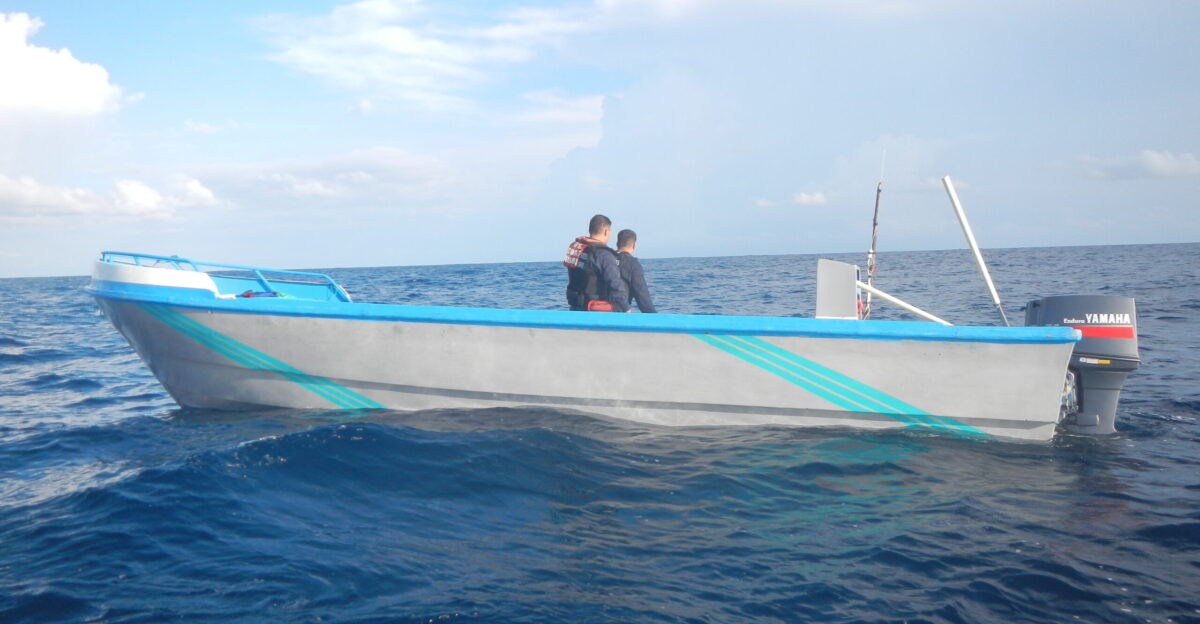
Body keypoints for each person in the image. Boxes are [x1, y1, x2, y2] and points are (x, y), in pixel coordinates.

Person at [563, 215, 629, 312]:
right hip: (596, 310)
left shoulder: (579, 250)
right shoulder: (604, 255)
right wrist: (626, 308)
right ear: (606, 231)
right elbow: (615, 284)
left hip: (575, 308)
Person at [615, 229, 657, 313]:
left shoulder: (606, 259)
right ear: (634, 245)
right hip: (619, 315)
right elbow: (643, 298)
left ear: (617, 244)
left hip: (596, 312)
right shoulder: (632, 264)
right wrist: (655, 318)